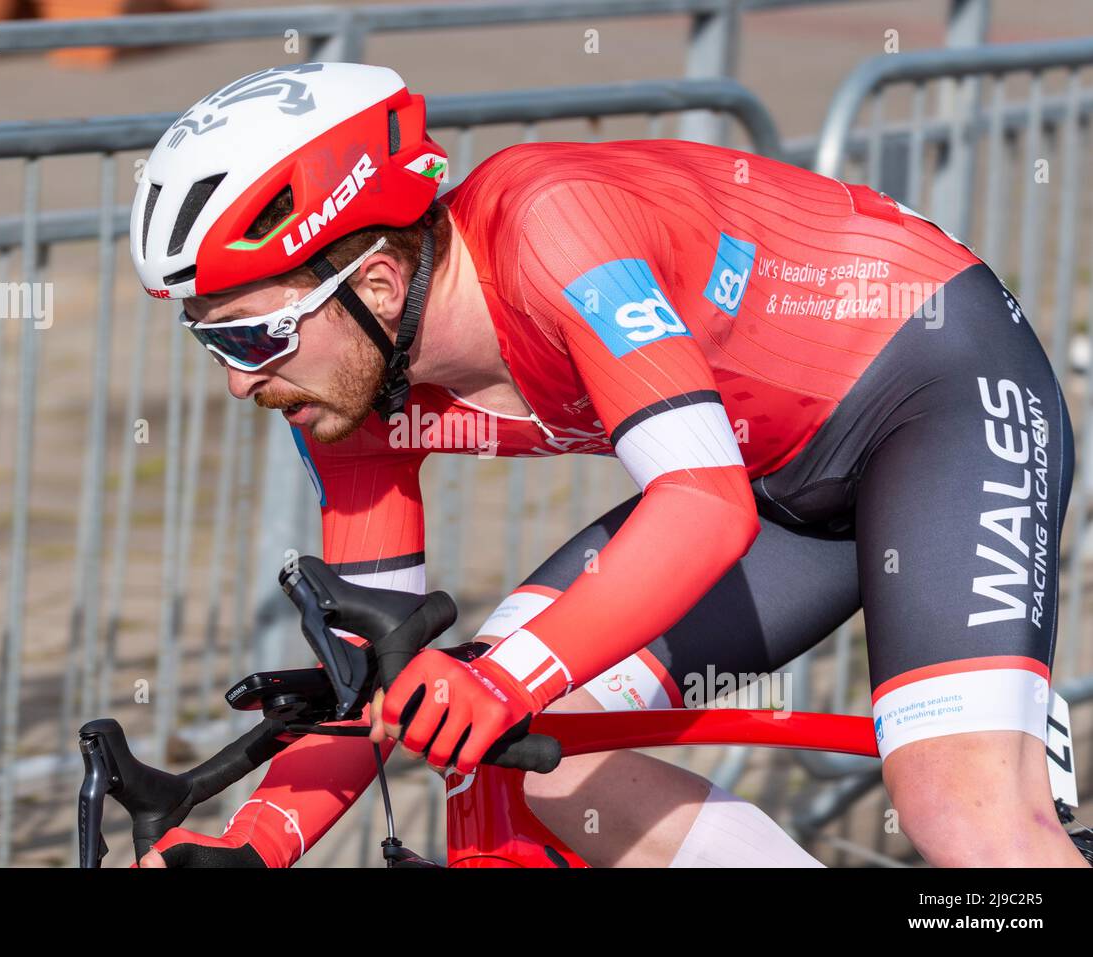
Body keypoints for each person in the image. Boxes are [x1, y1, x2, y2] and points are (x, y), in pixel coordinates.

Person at [131, 62, 1084, 868]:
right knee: (528, 752)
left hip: (931, 394)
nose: (238, 383)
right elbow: (375, 684)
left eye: (256, 337)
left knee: (963, 817)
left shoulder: (553, 228)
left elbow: (702, 509)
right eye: (213, 345)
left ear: (376, 280)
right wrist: (254, 843)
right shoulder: (348, 398)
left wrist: (503, 683)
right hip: (769, 482)